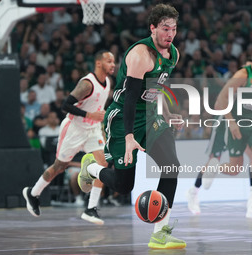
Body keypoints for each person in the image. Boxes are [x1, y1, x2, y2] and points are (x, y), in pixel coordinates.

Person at [77, 4, 186, 249]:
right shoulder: (140, 55)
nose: (170, 34)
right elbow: (129, 100)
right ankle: (91, 167)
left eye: (174, 29)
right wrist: (128, 137)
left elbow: (156, 88)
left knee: (171, 167)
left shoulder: (173, 54)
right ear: (153, 28)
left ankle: (160, 233)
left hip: (149, 117)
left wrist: (167, 114)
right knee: (125, 186)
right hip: (122, 119)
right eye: (165, 28)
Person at [22, 50, 116, 223]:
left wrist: (98, 124)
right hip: (74, 128)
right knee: (59, 166)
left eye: (113, 61)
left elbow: (98, 109)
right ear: (98, 63)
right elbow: (66, 105)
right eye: (109, 61)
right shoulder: (87, 84)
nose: (113, 64)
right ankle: (33, 193)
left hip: (92, 129)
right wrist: (89, 115)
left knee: (103, 162)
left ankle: (91, 208)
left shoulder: (108, 82)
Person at [202, 41, 252, 219]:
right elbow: (221, 100)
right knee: (234, 168)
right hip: (238, 119)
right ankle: (215, 167)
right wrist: (230, 122)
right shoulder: (243, 74)